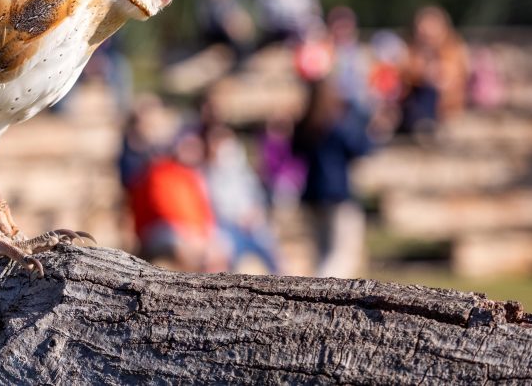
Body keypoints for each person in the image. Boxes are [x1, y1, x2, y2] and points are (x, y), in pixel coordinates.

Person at [293, 77, 372, 278]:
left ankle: (317, 292)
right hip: (336, 194)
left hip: (312, 195)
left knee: (322, 253)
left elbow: (294, 149)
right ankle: (323, 292)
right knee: (344, 254)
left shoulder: (306, 124)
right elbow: (361, 147)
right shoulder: (336, 125)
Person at [127, 129, 226, 272]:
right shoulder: (159, 172)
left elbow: (204, 209)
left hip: (191, 232)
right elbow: (165, 211)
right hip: (161, 231)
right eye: (188, 147)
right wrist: (191, 234)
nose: (193, 152)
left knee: (219, 249)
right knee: (182, 248)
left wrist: (204, 234)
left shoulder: (190, 176)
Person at [200, 98, 280, 273]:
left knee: (271, 252)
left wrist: (255, 211)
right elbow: (214, 202)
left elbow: (252, 188)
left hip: (251, 220)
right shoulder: (206, 174)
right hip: (226, 226)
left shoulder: (238, 166)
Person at [400, 5, 470, 134]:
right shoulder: (412, 50)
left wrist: (434, 74)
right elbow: (407, 75)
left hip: (442, 104)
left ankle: (425, 124)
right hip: (414, 102)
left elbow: (452, 79)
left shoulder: (452, 49)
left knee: (430, 91)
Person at [199, 0, 255, 64]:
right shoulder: (208, 0)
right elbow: (207, 25)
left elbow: (250, 27)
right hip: (215, 49)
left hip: (239, 52)